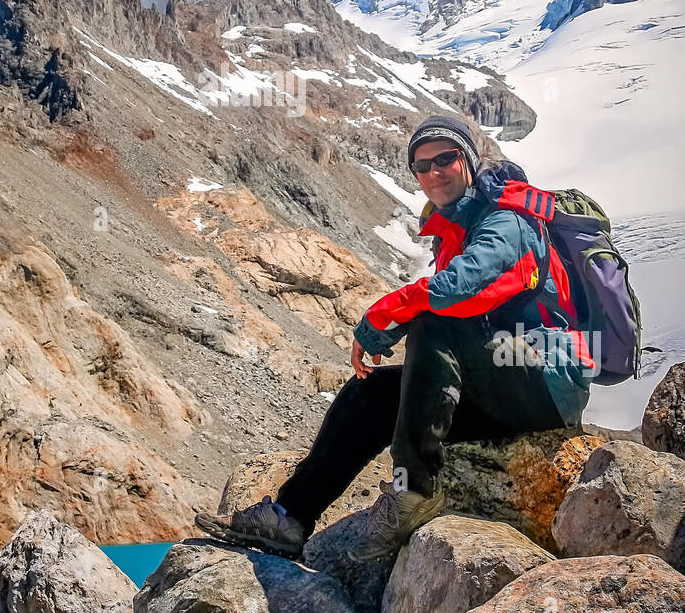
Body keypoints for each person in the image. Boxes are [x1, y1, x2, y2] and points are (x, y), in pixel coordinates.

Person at [195, 114, 596, 563]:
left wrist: (383, 317)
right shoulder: (458, 225)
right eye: (422, 166)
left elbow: (460, 288)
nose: (434, 172)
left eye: (446, 158)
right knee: (374, 392)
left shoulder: (507, 220)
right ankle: (289, 516)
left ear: (468, 161)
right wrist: (397, 325)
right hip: (501, 380)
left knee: (432, 320)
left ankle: (415, 489)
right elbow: (464, 303)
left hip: (543, 382)